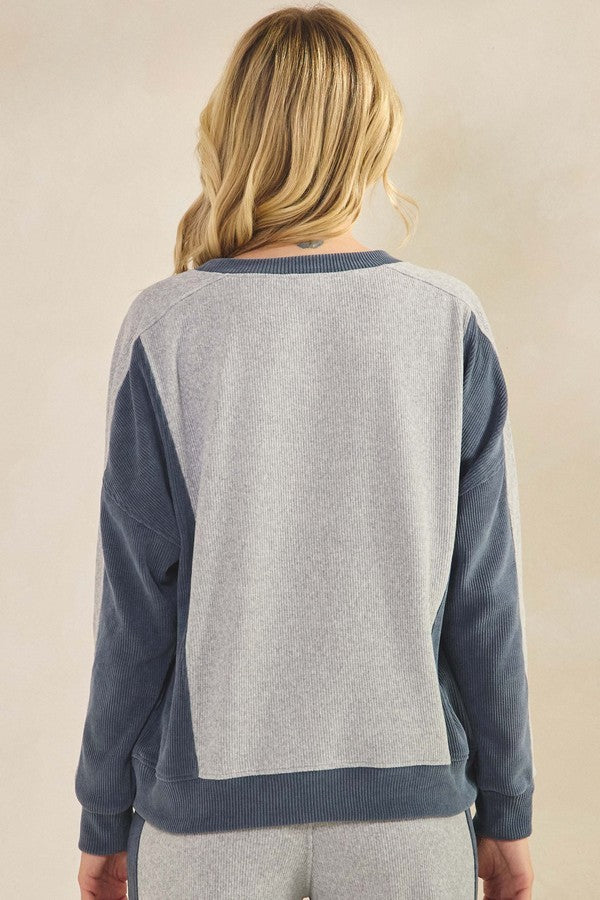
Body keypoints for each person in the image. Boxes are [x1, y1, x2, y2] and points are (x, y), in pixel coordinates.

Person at [75, 5, 535, 899]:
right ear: (372, 134)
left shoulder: (166, 327)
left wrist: (102, 815)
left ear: (232, 130)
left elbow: (133, 610)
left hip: (205, 829)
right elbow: (485, 597)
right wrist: (508, 809)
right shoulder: (446, 321)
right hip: (409, 824)